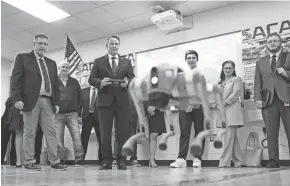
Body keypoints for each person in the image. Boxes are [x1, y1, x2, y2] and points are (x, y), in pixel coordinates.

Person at [11, 34, 66, 171]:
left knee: (51, 132)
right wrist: (17, 98)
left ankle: (54, 161)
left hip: (48, 101)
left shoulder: (51, 63)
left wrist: (57, 103)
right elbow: (15, 80)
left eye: (45, 44)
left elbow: (56, 85)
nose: (42, 46)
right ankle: (29, 161)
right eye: (40, 43)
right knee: (29, 132)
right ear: (34, 43)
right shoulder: (23, 58)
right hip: (30, 101)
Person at [88, 35, 135, 170]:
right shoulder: (98, 62)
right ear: (106, 45)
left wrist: (128, 83)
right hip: (104, 102)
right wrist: (100, 82)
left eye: (116, 44)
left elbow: (132, 78)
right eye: (112, 44)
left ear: (118, 46)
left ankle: (121, 161)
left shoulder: (126, 62)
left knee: (123, 132)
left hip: (122, 102)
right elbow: (91, 79)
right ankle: (106, 161)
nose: (114, 46)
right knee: (105, 133)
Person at [254, 33, 290, 168]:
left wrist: (286, 73)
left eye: (275, 41)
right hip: (268, 101)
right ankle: (273, 160)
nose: (272, 43)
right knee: (271, 132)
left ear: (280, 43)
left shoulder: (288, 56)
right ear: (266, 45)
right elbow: (257, 81)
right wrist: (257, 98)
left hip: (287, 98)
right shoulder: (260, 62)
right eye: (269, 42)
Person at [170, 50, 205, 168]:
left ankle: (197, 158)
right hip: (184, 106)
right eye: (188, 58)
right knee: (184, 132)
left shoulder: (200, 73)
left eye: (193, 57)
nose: (191, 59)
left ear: (197, 59)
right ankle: (181, 159)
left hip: (198, 106)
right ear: (186, 60)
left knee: (199, 132)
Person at [55, 61, 85, 167]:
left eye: (67, 67)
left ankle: (79, 159)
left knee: (77, 137)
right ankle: (61, 160)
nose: (65, 68)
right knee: (58, 138)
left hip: (73, 113)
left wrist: (79, 113)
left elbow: (80, 98)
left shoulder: (74, 82)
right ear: (59, 68)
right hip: (57, 115)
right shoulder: (54, 81)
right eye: (63, 66)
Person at [218, 60, 244, 167]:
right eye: (225, 68)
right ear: (223, 69)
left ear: (233, 69)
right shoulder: (220, 82)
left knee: (228, 137)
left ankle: (224, 162)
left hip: (232, 110)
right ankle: (240, 161)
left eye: (229, 68)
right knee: (232, 137)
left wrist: (224, 102)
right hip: (223, 111)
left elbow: (235, 94)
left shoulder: (237, 79)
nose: (227, 70)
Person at [144, 100, 171, 168]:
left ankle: (152, 159)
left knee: (154, 134)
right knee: (146, 134)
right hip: (146, 102)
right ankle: (150, 158)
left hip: (158, 107)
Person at [80, 86, 102, 162]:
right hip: (87, 117)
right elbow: (79, 104)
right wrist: (78, 116)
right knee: (84, 138)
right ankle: (81, 159)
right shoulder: (83, 91)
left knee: (102, 138)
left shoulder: (102, 91)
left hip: (99, 118)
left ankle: (102, 159)